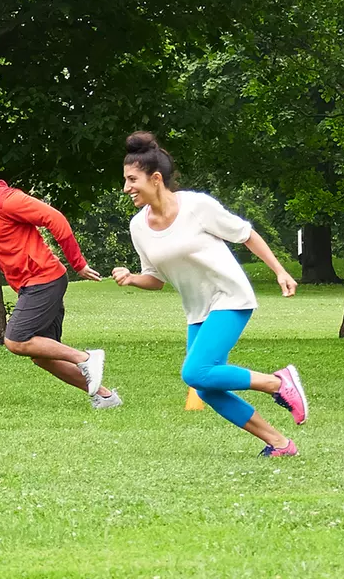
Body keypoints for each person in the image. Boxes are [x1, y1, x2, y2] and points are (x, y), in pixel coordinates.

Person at [109, 132, 309, 456]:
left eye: (132, 179)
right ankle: (279, 443)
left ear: (155, 178)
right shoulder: (138, 227)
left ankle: (278, 382)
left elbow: (246, 234)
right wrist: (132, 279)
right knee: (205, 386)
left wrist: (280, 271)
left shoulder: (196, 206)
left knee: (194, 372)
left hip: (230, 296)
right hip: (198, 309)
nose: (126, 187)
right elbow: (155, 279)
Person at [0, 146, 120, 409]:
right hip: (28, 285)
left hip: (45, 278)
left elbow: (55, 219)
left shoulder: (7, 199)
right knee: (41, 354)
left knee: (15, 340)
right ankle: (105, 397)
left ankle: (86, 357)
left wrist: (78, 263)